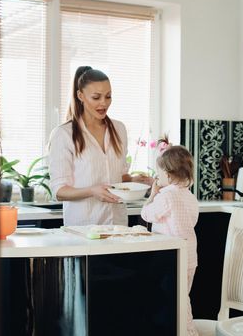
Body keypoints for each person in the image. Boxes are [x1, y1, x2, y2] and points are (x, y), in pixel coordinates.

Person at [49, 66, 149, 226]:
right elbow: (59, 191)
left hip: (118, 227)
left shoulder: (119, 129)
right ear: (80, 95)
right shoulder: (63, 134)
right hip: (83, 229)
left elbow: (118, 177)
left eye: (108, 96)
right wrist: (91, 191)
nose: (104, 103)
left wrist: (135, 180)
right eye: (96, 97)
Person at [141, 143, 199, 336]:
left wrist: (152, 194)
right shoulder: (190, 197)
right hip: (190, 258)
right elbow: (194, 220)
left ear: (168, 174)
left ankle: (188, 332)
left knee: (177, 302)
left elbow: (146, 214)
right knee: (182, 297)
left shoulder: (165, 196)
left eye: (159, 173)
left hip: (171, 259)